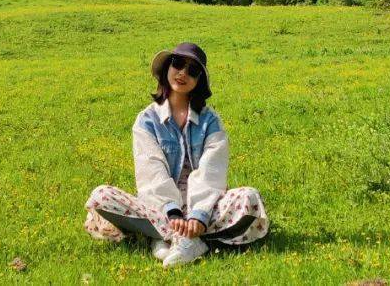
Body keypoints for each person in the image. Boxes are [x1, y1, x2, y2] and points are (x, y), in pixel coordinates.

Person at [84, 42, 269, 268]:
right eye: (178, 64)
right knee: (102, 196)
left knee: (248, 198)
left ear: (199, 80)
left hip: (205, 207)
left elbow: (213, 169)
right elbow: (150, 169)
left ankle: (171, 237)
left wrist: (198, 215)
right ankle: (179, 238)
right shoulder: (146, 120)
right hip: (160, 206)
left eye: (192, 70)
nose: (183, 73)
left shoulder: (211, 121)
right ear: (167, 68)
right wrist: (172, 212)